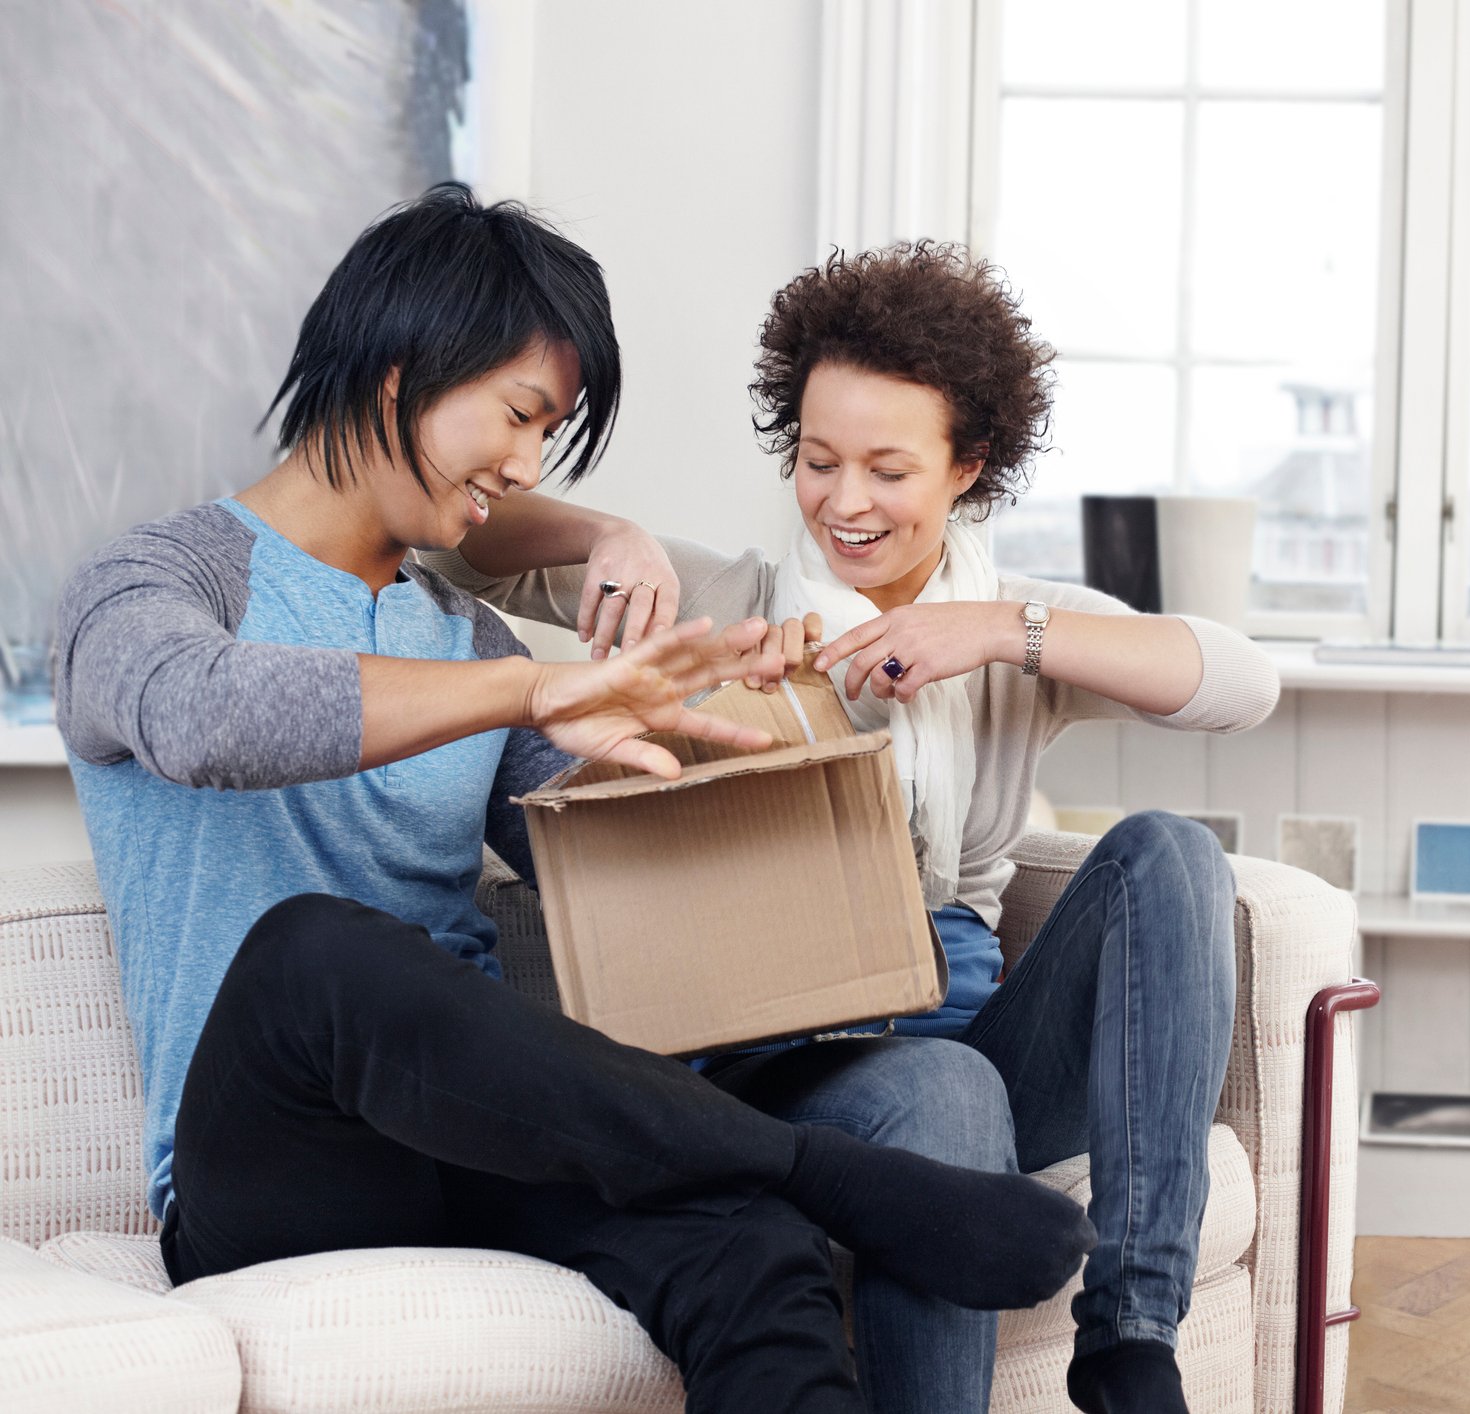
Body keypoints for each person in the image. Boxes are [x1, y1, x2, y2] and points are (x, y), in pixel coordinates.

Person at [54, 191, 1095, 1414]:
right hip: (278, 1163)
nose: (527, 468)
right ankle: (820, 1170)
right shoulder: (152, 586)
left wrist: (743, 720)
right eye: (519, 416)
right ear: (399, 376)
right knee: (314, 952)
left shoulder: (467, 638)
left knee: (748, 1249)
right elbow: (204, 719)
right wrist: (530, 687)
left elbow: (615, 881)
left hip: (480, 1137)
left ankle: (773, 1185)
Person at [429, 240, 1281, 1414]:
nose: (844, 502)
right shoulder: (726, 598)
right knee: (943, 1095)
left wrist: (994, 631)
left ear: (967, 463)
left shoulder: (1012, 628)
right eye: (818, 461)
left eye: (888, 468)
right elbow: (451, 539)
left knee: (1171, 854)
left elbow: (1241, 684)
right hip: (779, 1063)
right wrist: (604, 537)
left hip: (974, 1025)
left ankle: (1132, 1338)